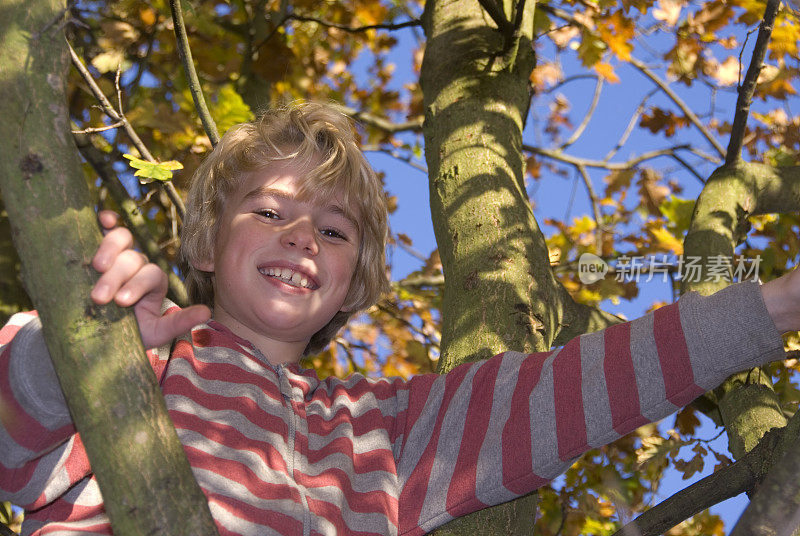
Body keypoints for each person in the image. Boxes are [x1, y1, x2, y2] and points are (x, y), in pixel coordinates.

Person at [0, 101, 797, 536]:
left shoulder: (389, 429)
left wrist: (783, 301)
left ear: (351, 285)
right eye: (271, 209)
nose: (302, 234)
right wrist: (80, 350)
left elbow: (588, 382)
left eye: (334, 230)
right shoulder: (145, 355)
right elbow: (10, 435)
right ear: (208, 240)